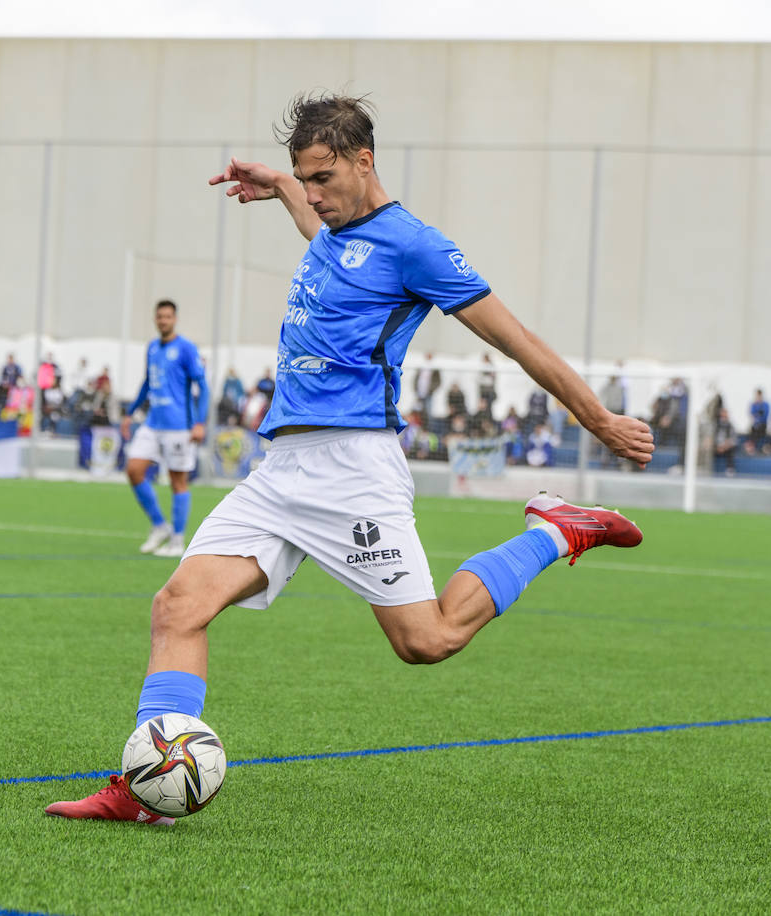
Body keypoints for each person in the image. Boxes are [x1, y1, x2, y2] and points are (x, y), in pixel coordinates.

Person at [46, 91, 653, 825]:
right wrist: (278, 189)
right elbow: (328, 239)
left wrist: (599, 418)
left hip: (354, 469)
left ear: (364, 162)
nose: (315, 195)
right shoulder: (331, 228)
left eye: (324, 178)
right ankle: (146, 790)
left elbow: (514, 338)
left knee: (427, 640)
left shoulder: (417, 246)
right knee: (178, 606)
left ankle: (554, 528)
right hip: (279, 471)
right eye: (305, 179)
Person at [121, 300, 210, 558]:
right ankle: (160, 526)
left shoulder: (185, 348)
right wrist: (130, 413)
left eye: (168, 317)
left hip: (178, 426)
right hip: (152, 423)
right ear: (155, 318)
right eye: (159, 316)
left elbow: (202, 387)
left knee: (177, 481)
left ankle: (177, 540)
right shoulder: (152, 348)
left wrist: (199, 422)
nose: (163, 321)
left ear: (175, 319)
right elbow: (147, 383)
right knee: (134, 470)